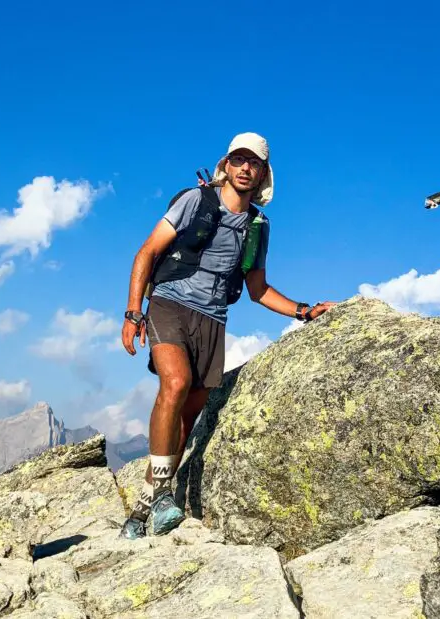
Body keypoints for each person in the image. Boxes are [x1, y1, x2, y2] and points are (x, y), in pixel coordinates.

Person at [118, 132, 335, 539]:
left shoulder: (257, 226)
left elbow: (258, 289)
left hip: (213, 321)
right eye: (238, 160)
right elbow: (146, 252)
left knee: (186, 420)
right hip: (169, 304)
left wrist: (305, 311)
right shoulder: (195, 201)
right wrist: (133, 313)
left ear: (263, 174)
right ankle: (165, 496)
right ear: (227, 165)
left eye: (254, 163)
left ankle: (140, 512)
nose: (245, 168)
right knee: (175, 383)